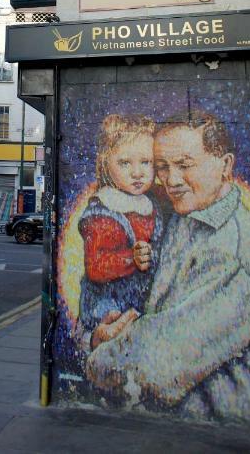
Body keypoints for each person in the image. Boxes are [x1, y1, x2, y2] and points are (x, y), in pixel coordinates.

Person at [86, 112, 250, 424]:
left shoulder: (235, 255)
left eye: (184, 165)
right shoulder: (186, 215)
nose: (170, 180)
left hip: (219, 433)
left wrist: (95, 351)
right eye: (162, 167)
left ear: (226, 165)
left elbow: (158, 364)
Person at [78, 114, 162, 336]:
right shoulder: (104, 211)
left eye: (146, 162)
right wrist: (131, 259)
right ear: (106, 163)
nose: (137, 172)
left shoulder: (151, 204)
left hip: (139, 305)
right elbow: (95, 266)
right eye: (125, 163)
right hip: (108, 309)